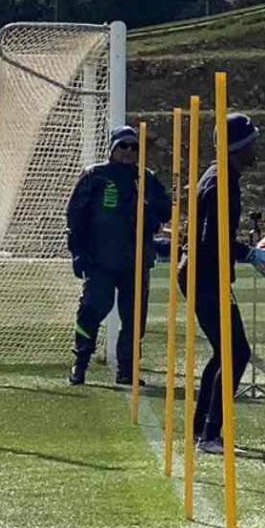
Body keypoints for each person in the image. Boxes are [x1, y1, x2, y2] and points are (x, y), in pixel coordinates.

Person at [178, 113, 265, 455]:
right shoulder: (221, 180)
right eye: (252, 141)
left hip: (205, 272)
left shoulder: (224, 176)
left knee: (225, 350)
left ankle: (201, 429)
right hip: (204, 273)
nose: (256, 147)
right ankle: (210, 435)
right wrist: (252, 254)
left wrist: (244, 253)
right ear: (239, 146)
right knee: (236, 352)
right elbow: (213, 239)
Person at [66, 124, 171, 386]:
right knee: (91, 311)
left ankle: (127, 370)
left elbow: (165, 211)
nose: (128, 151)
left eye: (134, 146)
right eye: (123, 145)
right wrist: (77, 252)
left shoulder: (146, 178)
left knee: (134, 318)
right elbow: (75, 216)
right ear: (112, 148)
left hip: (135, 263)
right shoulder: (94, 176)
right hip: (100, 261)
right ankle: (80, 363)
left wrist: (150, 216)